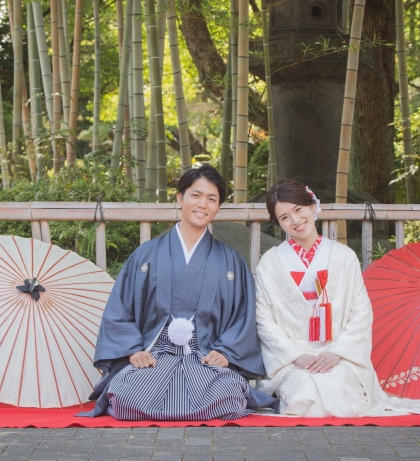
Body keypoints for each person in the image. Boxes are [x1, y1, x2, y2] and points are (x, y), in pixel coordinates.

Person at [254, 179, 420, 417]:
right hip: (295, 359)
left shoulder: (343, 257)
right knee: (304, 395)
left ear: (313, 206)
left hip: (339, 355)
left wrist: (337, 352)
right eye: (284, 217)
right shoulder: (271, 262)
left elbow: (361, 313)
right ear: (279, 224)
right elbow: (264, 320)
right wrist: (298, 356)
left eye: (298, 209)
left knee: (339, 396)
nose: (295, 220)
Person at [83, 165, 277, 420]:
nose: (202, 204)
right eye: (195, 195)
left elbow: (243, 318)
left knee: (229, 392)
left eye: (212, 199)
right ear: (180, 197)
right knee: (125, 394)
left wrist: (226, 353)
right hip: (154, 358)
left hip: (205, 360)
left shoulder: (230, 261)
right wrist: (133, 350)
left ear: (218, 207)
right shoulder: (146, 255)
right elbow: (121, 310)